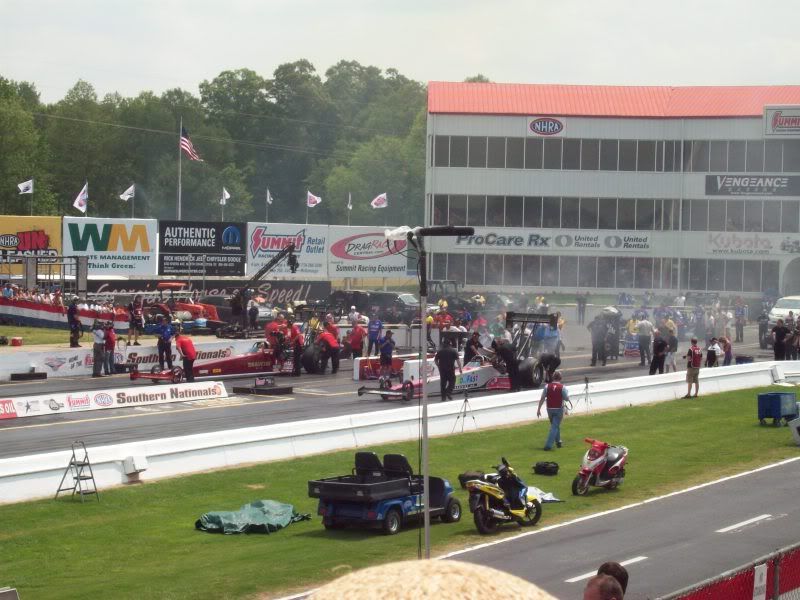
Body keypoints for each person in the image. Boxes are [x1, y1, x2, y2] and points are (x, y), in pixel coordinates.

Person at [536, 371, 569, 451]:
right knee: (554, 427)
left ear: (553, 377)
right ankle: (548, 445)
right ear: (560, 378)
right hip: (559, 409)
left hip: (549, 409)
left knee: (555, 425)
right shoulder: (562, 387)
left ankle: (558, 442)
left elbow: (542, 398)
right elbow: (566, 399)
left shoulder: (547, 386)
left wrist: (539, 409)